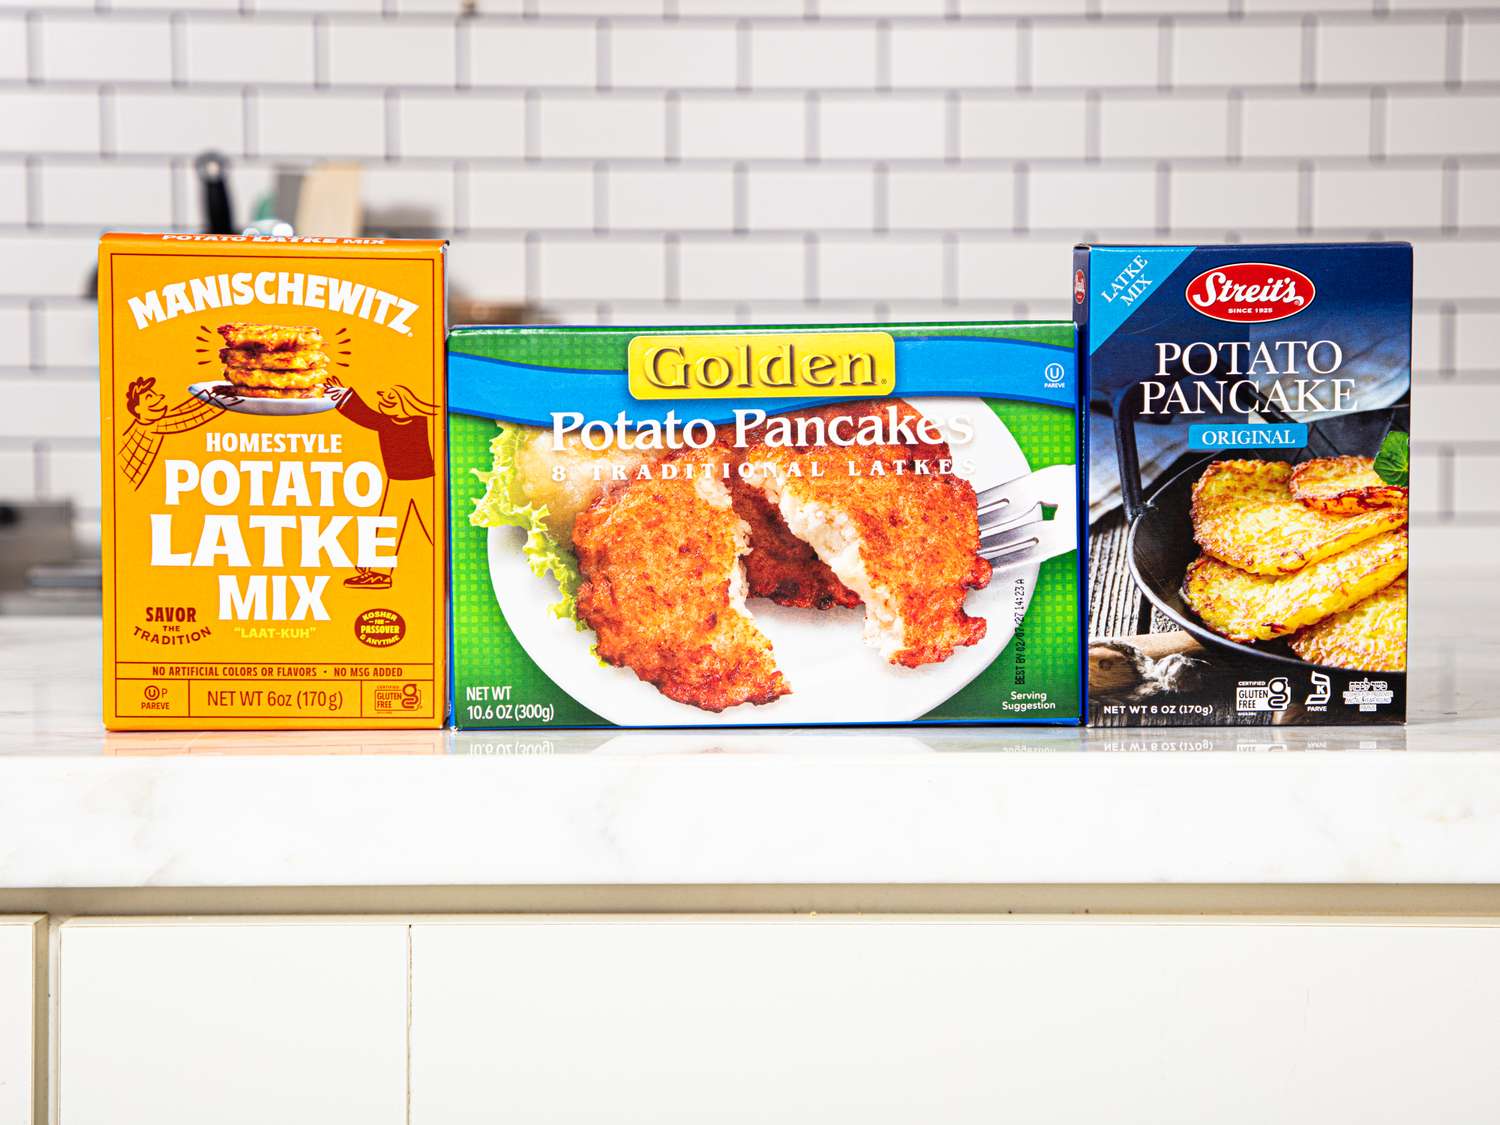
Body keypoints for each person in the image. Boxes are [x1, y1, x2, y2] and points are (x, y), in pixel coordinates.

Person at [326, 376, 438, 590]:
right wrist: (343, 395)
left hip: (423, 482)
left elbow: (367, 416)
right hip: (398, 482)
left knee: (434, 526)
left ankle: (449, 564)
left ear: (405, 402)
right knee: (388, 526)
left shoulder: (417, 421)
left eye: (390, 397)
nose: (383, 400)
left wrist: (344, 396)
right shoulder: (387, 422)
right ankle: (378, 572)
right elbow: (365, 416)